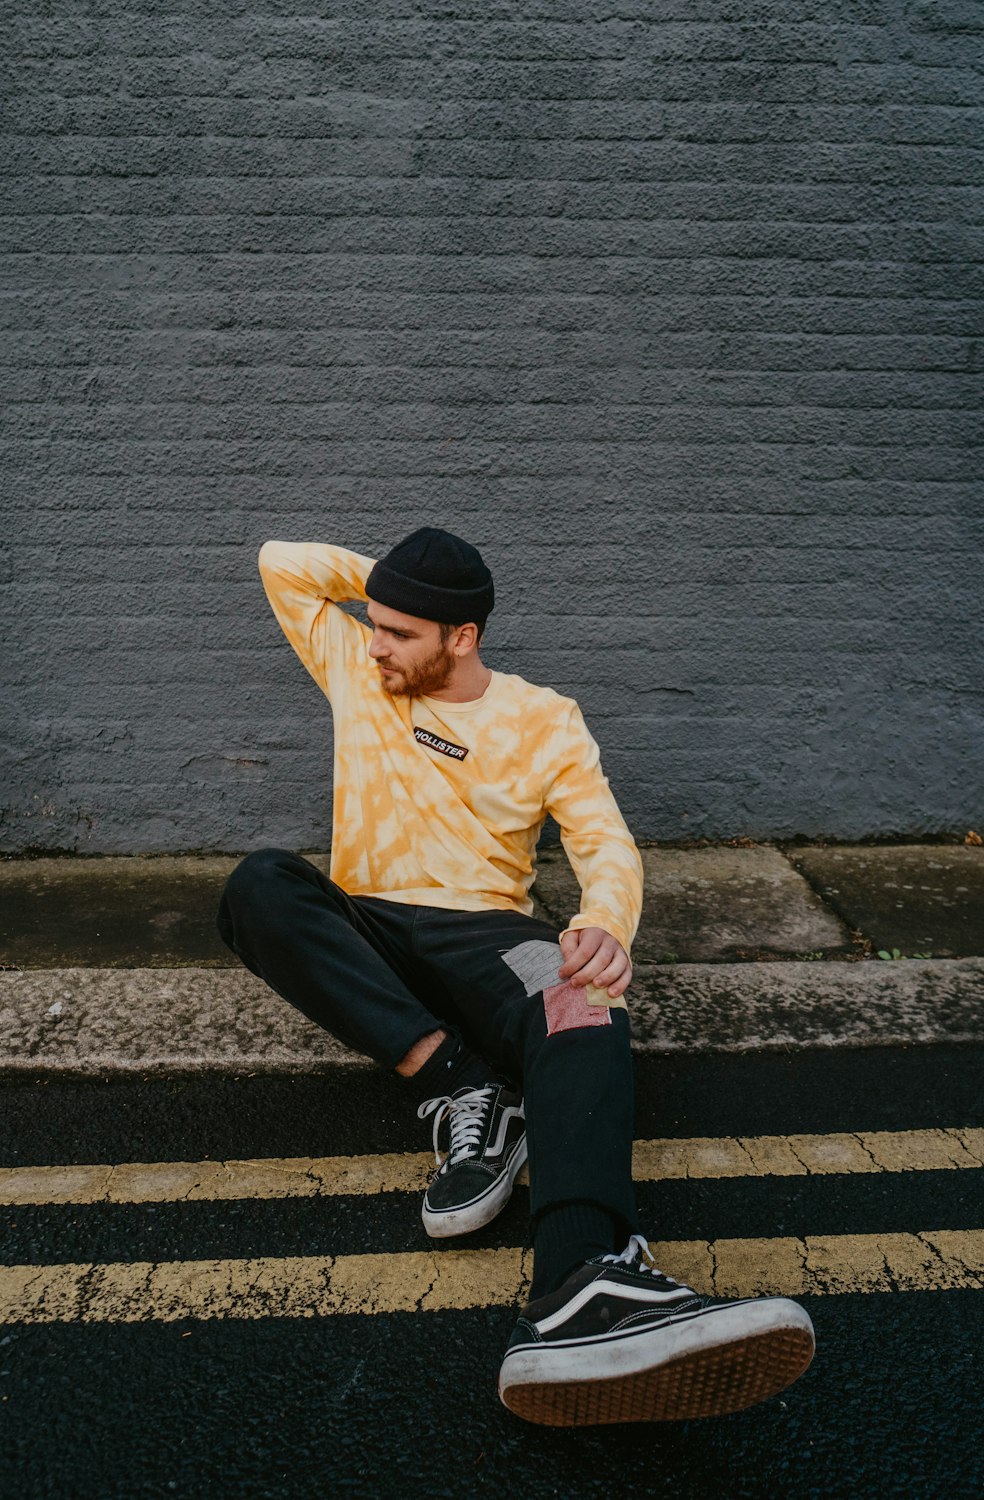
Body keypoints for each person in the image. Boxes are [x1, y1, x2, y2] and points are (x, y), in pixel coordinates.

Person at [215, 525, 815, 1426]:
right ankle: (465, 1088)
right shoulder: (356, 664)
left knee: (585, 996)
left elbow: (604, 840)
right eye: (372, 622)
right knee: (260, 883)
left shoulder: (543, 717)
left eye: (399, 632)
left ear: (464, 635)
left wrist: (604, 923)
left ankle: (582, 1283)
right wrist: (394, 587)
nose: (373, 642)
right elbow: (280, 562)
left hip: (488, 935)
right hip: (370, 921)